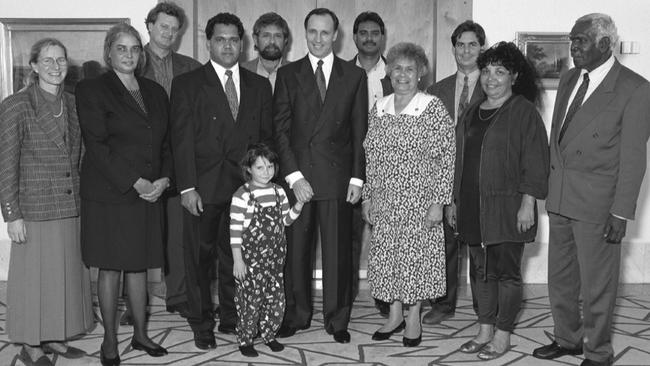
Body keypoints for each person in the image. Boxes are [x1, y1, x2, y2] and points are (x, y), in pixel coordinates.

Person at [533, 13, 650, 366]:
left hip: (600, 206)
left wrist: (621, 212)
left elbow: (634, 159)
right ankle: (568, 339)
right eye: (572, 40)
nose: (573, 47)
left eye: (581, 40)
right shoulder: (570, 78)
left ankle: (598, 352)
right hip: (562, 197)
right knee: (561, 279)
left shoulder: (635, 88)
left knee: (597, 285)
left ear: (604, 43)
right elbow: (559, 140)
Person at [170, 12, 273, 350]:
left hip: (245, 190)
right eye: (220, 39)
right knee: (199, 260)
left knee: (238, 257)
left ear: (242, 44)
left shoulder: (258, 85)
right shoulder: (187, 84)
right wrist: (186, 187)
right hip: (202, 187)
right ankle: (202, 323)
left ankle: (233, 317)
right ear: (208, 42)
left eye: (234, 40)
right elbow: (180, 139)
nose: (228, 45)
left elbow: (266, 141)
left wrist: (263, 186)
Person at [76, 23, 172, 365]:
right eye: (122, 48)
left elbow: (166, 144)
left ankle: (141, 335)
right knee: (112, 267)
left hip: (149, 192)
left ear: (141, 54)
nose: (129, 55)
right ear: (109, 52)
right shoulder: (92, 89)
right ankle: (109, 342)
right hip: (111, 192)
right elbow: (97, 146)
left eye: (134, 49)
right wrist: (137, 182)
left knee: (139, 265)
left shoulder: (155, 91)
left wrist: (163, 179)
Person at [274, 7, 368, 344]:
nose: (318, 39)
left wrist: (357, 179)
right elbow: (280, 131)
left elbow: (360, 132)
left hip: (338, 179)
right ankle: (296, 315)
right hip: (298, 179)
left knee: (338, 253)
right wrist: (293, 177)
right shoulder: (288, 74)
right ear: (305, 33)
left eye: (324, 33)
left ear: (336, 35)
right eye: (312, 32)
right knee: (296, 251)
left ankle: (337, 318)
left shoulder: (354, 76)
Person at [451, 41, 549, 360]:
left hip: (508, 207)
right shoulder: (471, 112)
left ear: (514, 76)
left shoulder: (524, 113)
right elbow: (459, 161)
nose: (491, 78)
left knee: (506, 274)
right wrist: (453, 201)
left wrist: (527, 203)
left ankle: (503, 334)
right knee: (481, 272)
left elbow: (535, 162)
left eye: (500, 72)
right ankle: (484, 329)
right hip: (471, 207)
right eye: (487, 71)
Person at [0, 38, 93, 366]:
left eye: (61, 60)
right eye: (48, 60)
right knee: (34, 281)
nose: (56, 66)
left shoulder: (73, 103)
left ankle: (55, 336)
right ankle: (31, 345)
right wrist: (12, 214)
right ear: (35, 66)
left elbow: (80, 154)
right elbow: (6, 163)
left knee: (64, 277)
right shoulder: (16, 105)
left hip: (71, 206)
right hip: (35, 208)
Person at [363, 42, 455, 348]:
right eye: (397, 68)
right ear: (389, 72)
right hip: (386, 200)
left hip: (420, 201)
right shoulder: (379, 107)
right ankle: (395, 315)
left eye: (410, 69)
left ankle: (414, 318)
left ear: (421, 73)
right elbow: (371, 156)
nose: (403, 75)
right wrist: (368, 196)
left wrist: (438, 203)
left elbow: (446, 158)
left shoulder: (432, 108)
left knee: (416, 260)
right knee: (389, 259)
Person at [423, 20, 486, 325]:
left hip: (478, 181)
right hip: (442, 179)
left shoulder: (493, 88)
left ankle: (483, 306)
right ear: (453, 48)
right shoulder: (436, 90)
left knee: (477, 246)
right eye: (460, 44)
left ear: (481, 48)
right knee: (443, 246)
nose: (465, 50)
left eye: (472, 44)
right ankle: (443, 303)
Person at [143, 0, 201, 319]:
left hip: (179, 159)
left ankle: (177, 295)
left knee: (179, 231)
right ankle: (135, 300)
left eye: (174, 28)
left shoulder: (191, 67)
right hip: (142, 159)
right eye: (162, 26)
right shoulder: (130, 62)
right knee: (138, 232)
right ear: (149, 26)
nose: (168, 33)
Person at [229, 143, 304, 357]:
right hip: (250, 261)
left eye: (270, 166)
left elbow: (286, 220)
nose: (266, 172)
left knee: (275, 299)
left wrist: (297, 206)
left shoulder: (278, 190)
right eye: (260, 168)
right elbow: (235, 231)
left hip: (275, 259)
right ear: (249, 169)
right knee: (250, 300)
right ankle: (245, 339)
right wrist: (238, 260)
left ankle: (269, 334)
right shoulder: (242, 195)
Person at [348, 11, 393, 316]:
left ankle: (384, 293)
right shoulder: (339, 73)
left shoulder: (396, 74)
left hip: (386, 165)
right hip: (349, 162)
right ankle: (346, 291)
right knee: (349, 231)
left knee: (384, 232)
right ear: (354, 37)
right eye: (363, 33)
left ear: (382, 37)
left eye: (374, 33)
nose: (368, 38)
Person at [241, 12, 290, 92]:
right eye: (266, 35)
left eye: (278, 36)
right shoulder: (240, 71)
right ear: (256, 40)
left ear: (285, 40)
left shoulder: (298, 74)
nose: (272, 41)